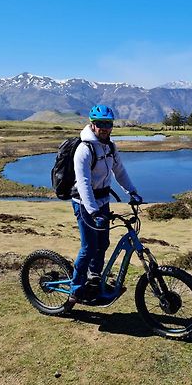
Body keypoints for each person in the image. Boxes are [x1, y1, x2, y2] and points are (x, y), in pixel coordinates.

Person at [68, 105, 142, 305]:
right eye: (100, 124)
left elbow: (119, 171)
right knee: (89, 247)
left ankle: (94, 277)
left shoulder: (110, 147)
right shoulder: (84, 150)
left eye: (108, 124)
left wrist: (132, 192)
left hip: (102, 202)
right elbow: (83, 183)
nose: (105, 128)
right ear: (92, 124)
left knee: (103, 244)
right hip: (85, 205)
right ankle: (75, 289)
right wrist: (92, 211)